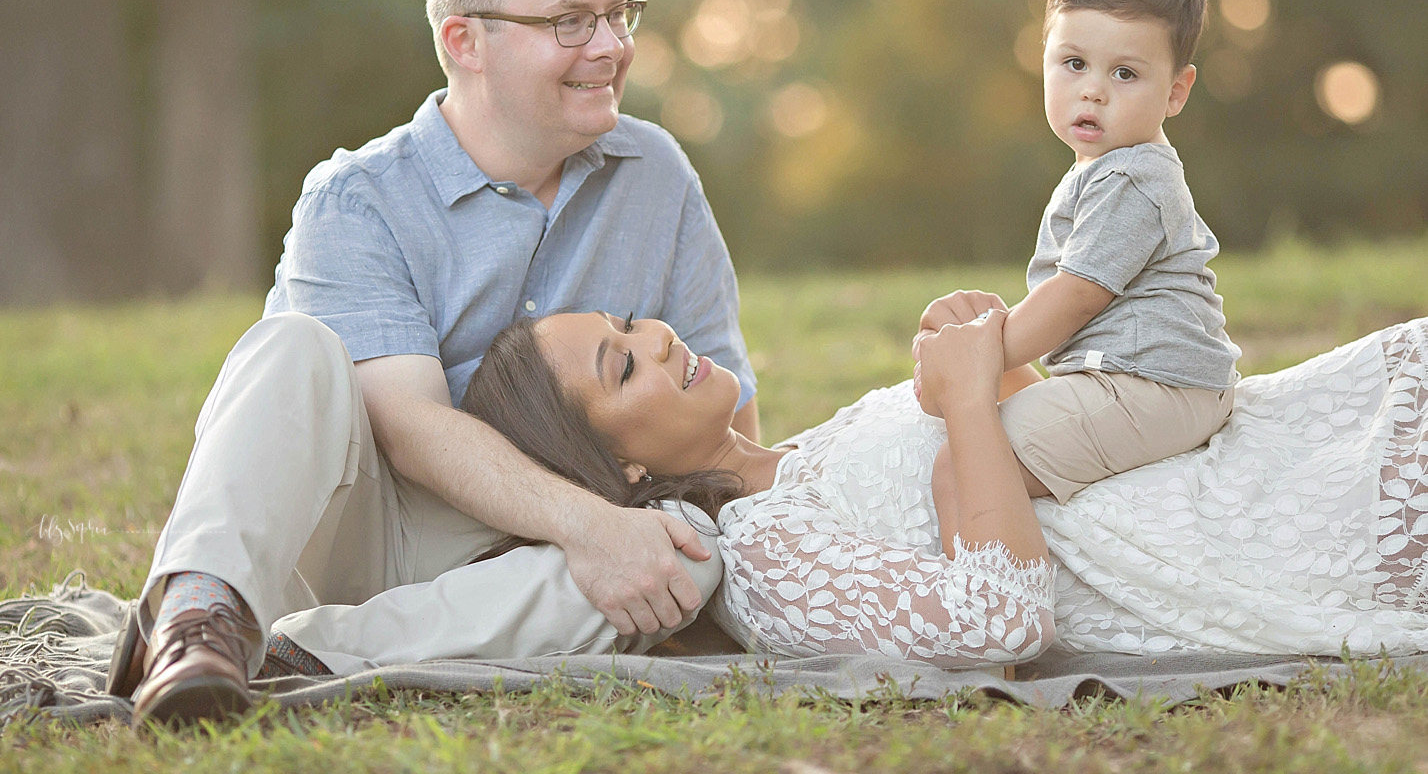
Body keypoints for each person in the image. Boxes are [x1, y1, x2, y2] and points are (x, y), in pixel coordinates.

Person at [112, 0, 759, 726]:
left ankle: (295, 652)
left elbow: (724, 409)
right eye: (569, 21)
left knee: (689, 543)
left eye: (616, 12)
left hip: (534, 565)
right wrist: (592, 527)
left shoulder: (655, 173)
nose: (609, 46)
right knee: (294, 348)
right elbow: (409, 427)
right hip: (372, 532)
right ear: (465, 41)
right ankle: (197, 614)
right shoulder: (359, 200)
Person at [463, 303, 1428, 665]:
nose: (657, 338)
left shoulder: (812, 448)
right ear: (617, 469)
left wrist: (991, 360)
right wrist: (967, 406)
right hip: (1225, 530)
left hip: (1243, 441)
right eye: (622, 365)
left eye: (630, 324)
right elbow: (1000, 624)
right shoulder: (764, 565)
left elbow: (1036, 457)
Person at [923, 0, 1241, 550]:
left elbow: (1075, 299)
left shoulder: (1130, 177)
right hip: (1140, 380)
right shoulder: (1104, 169)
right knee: (981, 423)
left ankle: (980, 609)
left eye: (1124, 73)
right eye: (1074, 64)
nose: (1093, 90)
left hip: (1160, 387)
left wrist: (978, 361)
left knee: (964, 463)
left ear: (1176, 91)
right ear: (1043, 59)